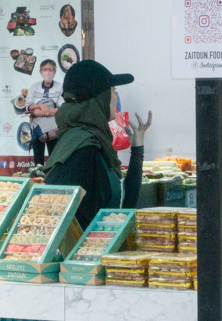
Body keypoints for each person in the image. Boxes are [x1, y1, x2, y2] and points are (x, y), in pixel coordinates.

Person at [44, 60, 151, 230]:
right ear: (99, 98)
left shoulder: (93, 140)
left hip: (99, 251)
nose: (116, 97)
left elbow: (122, 208)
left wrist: (137, 149)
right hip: (85, 254)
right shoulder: (82, 149)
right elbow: (56, 219)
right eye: (113, 91)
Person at [27, 59, 64, 166]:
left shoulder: (60, 87)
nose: (47, 72)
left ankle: (52, 180)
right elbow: (28, 106)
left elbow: (62, 108)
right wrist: (39, 106)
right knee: (38, 162)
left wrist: (42, 112)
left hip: (53, 129)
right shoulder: (34, 86)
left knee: (53, 158)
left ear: (55, 72)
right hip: (37, 128)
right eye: (45, 70)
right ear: (40, 71)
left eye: (50, 70)